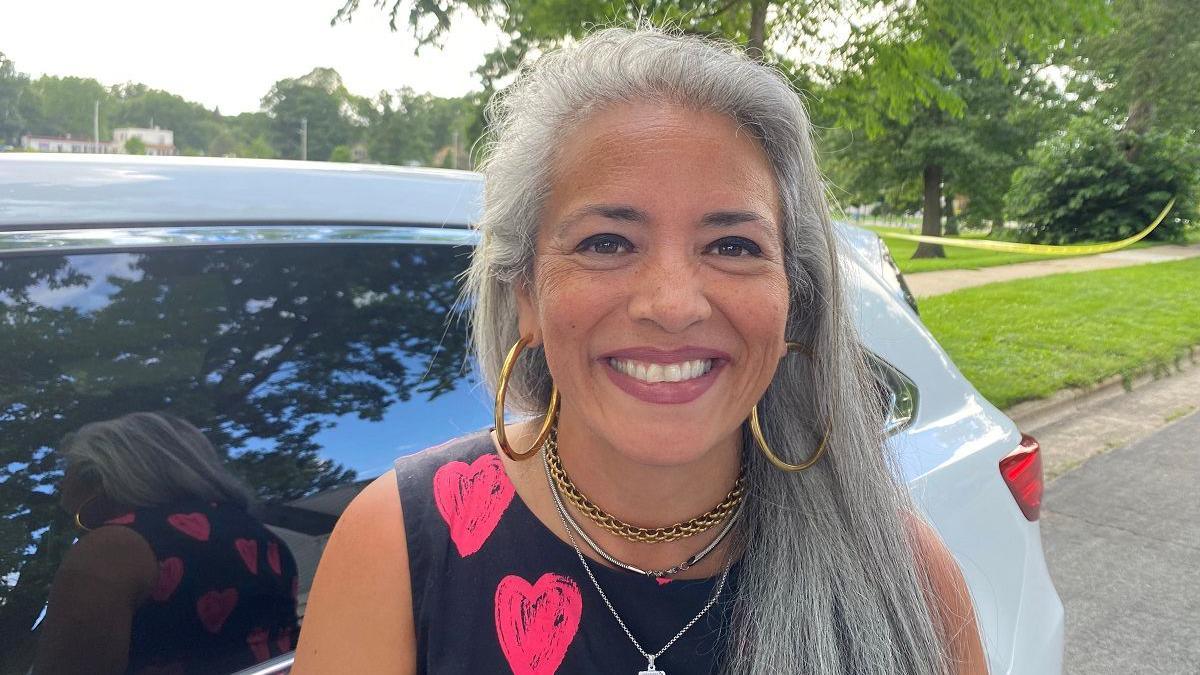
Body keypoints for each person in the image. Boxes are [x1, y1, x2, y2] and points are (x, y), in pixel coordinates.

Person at [295, 26, 988, 675]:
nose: (673, 302)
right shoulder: (398, 550)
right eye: (607, 242)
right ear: (526, 296)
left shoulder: (905, 580)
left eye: (732, 245)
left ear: (790, 304)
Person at [36, 412, 299, 675]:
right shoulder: (261, 536)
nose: (59, 483)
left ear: (96, 477)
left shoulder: (112, 548)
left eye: (67, 469)